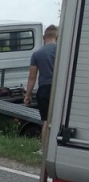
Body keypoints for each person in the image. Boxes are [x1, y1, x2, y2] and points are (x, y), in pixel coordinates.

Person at [24, 25, 58, 154]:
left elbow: (32, 77)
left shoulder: (37, 54)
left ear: (44, 37)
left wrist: (27, 95)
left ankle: (44, 150)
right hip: (59, 89)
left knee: (46, 121)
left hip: (44, 89)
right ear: (57, 37)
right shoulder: (62, 51)